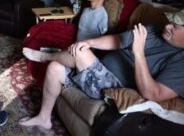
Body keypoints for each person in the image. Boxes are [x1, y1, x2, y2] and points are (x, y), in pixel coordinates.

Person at [19, 9, 184, 131]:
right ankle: (44, 118)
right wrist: (90, 42)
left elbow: (154, 94)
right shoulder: (155, 30)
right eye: (171, 21)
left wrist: (138, 52)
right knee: (55, 68)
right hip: (100, 69)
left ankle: (45, 56)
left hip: (114, 87)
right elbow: (118, 40)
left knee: (80, 54)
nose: (168, 25)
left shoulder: (181, 61)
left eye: (175, 26)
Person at [23, 0, 112, 66]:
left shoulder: (102, 15)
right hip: (74, 46)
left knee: (68, 55)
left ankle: (44, 57)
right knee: (46, 38)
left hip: (86, 52)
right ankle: (54, 55)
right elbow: (74, 5)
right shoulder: (85, 10)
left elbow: (102, 41)